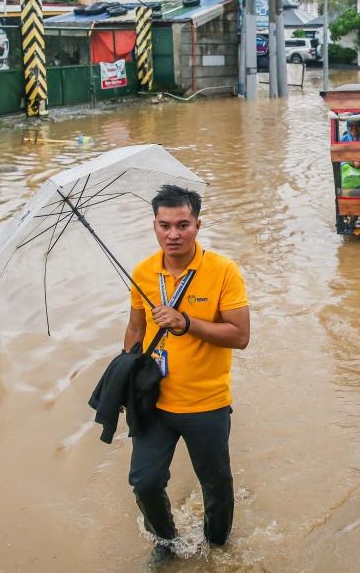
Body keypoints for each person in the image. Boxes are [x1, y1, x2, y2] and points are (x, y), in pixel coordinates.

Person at [123, 185, 250, 560]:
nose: (173, 235)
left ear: (198, 224)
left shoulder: (223, 271)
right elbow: (135, 328)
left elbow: (240, 336)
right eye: (165, 225)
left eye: (183, 225)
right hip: (153, 402)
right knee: (144, 482)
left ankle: (216, 547)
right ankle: (166, 542)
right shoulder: (144, 272)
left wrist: (186, 323)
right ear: (154, 226)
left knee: (217, 486)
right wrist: (125, 372)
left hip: (206, 403)